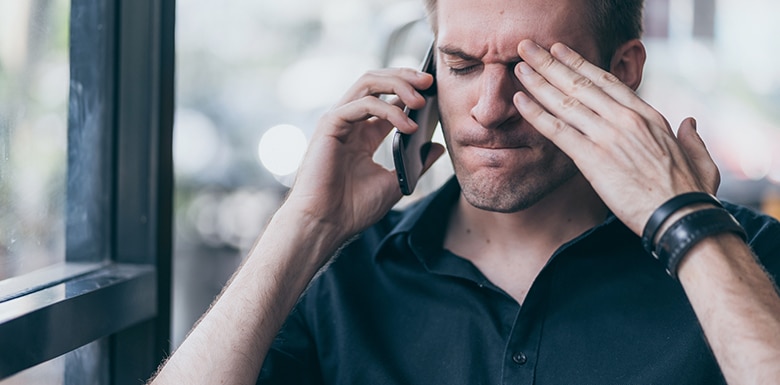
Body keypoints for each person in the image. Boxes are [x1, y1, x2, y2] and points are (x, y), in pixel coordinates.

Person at [150, 0, 780, 383]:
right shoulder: (344, 281)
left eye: (532, 70)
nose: (488, 109)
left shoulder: (748, 261)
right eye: (461, 65)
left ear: (622, 74)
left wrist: (687, 227)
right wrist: (303, 226)